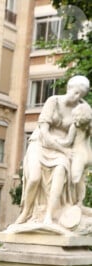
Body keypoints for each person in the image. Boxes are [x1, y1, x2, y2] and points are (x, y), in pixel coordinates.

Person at [15, 74, 91, 227]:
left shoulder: (83, 108)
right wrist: (62, 149)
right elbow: (44, 132)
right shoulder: (53, 101)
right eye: (76, 92)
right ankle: (26, 212)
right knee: (35, 177)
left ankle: (49, 216)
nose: (77, 97)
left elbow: (82, 136)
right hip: (41, 143)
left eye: (81, 95)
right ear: (68, 88)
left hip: (63, 149)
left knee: (61, 170)